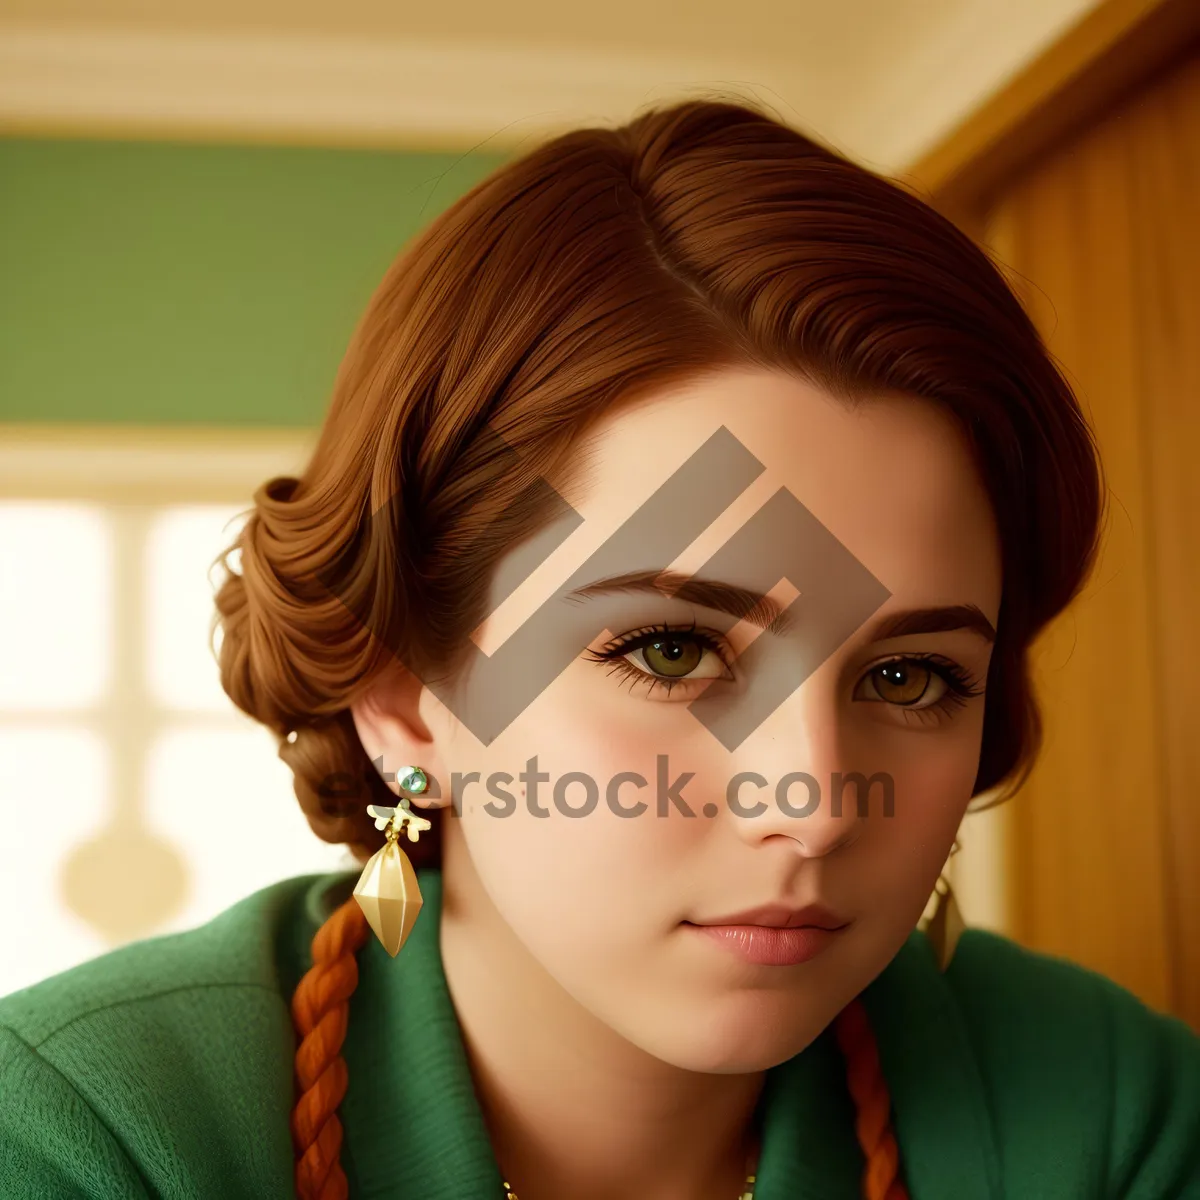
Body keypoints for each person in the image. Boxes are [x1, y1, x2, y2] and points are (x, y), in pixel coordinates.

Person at [2, 96, 1198, 1200]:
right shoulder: (82, 1133)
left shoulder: (1112, 1113)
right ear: (407, 696)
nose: (815, 801)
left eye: (908, 675)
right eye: (674, 652)